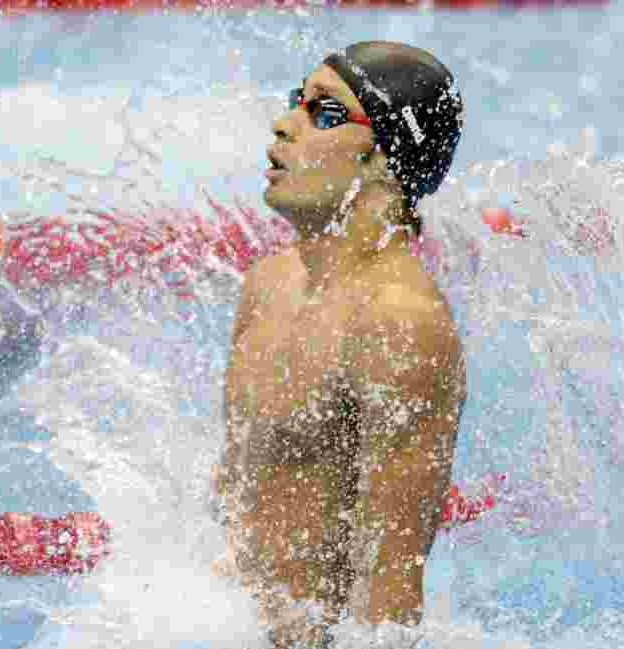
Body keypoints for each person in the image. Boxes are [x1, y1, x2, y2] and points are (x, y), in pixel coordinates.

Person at [211, 41, 467, 646]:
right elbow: (232, 505)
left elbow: (389, 601)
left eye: (323, 113)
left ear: (382, 161)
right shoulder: (268, 287)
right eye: (295, 103)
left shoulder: (401, 326)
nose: (284, 123)